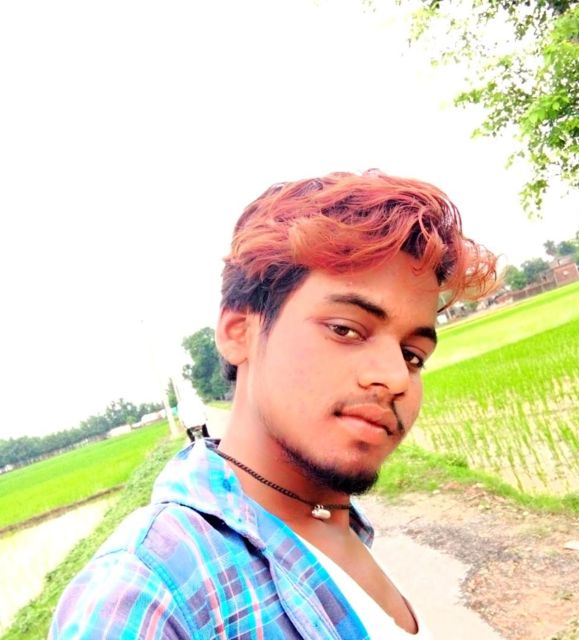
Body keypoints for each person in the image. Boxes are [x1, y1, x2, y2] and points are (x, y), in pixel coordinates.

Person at [50, 170, 496, 639]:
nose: (395, 377)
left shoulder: (334, 518)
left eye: (412, 355)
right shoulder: (148, 596)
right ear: (238, 332)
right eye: (346, 329)